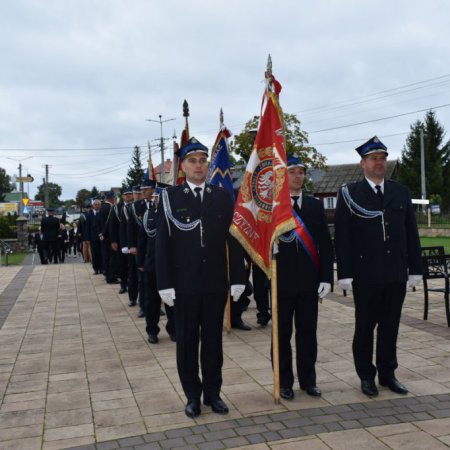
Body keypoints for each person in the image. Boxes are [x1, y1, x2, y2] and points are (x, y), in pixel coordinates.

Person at [156, 137, 245, 419]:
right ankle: (192, 396)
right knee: (187, 342)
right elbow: (162, 244)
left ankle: (213, 393)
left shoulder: (221, 196)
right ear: (183, 166)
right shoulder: (170, 198)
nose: (198, 165)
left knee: (213, 343)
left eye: (202, 160)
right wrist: (164, 283)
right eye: (192, 161)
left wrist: (239, 277)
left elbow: (234, 239)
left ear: (207, 165)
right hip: (184, 285)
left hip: (215, 283)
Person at [334, 136, 422, 397]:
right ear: (363, 163)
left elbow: (411, 233)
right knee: (365, 327)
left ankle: (388, 374)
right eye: (373, 158)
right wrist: (345, 272)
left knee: (390, 326)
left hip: (395, 272)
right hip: (365, 274)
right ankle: (366, 375)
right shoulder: (349, 194)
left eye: (382, 158)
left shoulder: (400, 192)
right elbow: (343, 236)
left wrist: (415, 268)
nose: (379, 163)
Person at [275, 155, 334, 400]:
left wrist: (326, 278)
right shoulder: (275, 207)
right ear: (283, 176)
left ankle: (308, 380)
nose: (297, 176)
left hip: (309, 282)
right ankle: (285, 381)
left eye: (300, 172)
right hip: (282, 281)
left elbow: (325, 245)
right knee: (281, 335)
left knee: (307, 333)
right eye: (292, 172)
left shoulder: (313, 206)